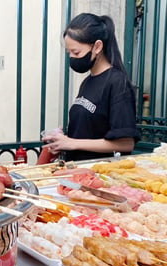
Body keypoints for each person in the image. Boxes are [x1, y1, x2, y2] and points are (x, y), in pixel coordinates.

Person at [41, 13, 140, 162]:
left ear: (97, 46)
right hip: (76, 170)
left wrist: (72, 143)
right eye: (69, 53)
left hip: (99, 175)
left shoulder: (117, 82)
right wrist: (63, 140)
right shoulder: (87, 82)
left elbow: (126, 144)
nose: (73, 58)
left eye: (76, 52)